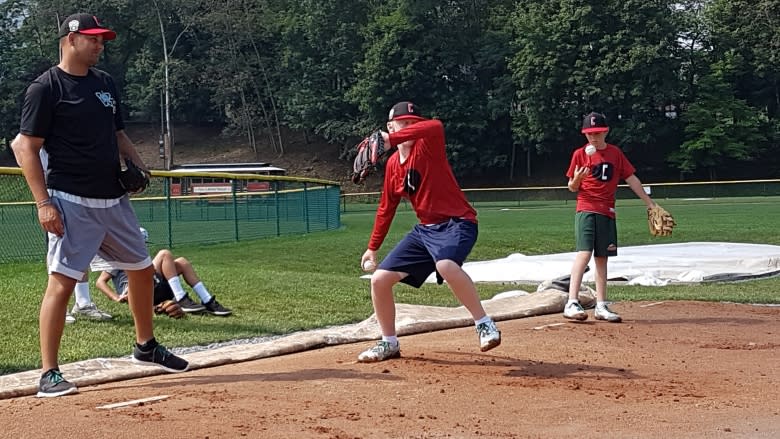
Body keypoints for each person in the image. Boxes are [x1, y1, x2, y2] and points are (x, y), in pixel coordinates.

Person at [11, 13, 188, 398]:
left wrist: (138, 164)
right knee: (62, 282)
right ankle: (49, 373)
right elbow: (24, 146)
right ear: (70, 40)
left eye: (102, 39)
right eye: (93, 38)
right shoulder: (46, 87)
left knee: (141, 270)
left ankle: (145, 346)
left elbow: (117, 132)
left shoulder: (105, 83)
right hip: (71, 199)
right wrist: (44, 203)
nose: (100, 44)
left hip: (113, 197)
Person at [356, 101, 501, 363]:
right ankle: (389, 342)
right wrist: (372, 247)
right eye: (404, 123)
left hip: (459, 222)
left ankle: (484, 323)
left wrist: (393, 138)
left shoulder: (427, 145)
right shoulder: (392, 166)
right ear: (390, 125)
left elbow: (435, 126)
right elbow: (385, 208)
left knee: (446, 265)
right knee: (379, 280)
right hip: (426, 231)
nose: (412, 127)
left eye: (414, 122)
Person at [564, 112, 657, 323]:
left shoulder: (615, 153)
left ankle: (601, 304)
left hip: (607, 211)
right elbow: (571, 187)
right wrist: (577, 179)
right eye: (589, 134)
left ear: (606, 131)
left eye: (597, 133)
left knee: (602, 258)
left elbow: (631, 178)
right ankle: (571, 301)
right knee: (584, 253)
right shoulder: (580, 154)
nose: (593, 138)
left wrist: (649, 203)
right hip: (586, 208)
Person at [95, 235, 232, 316]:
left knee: (182, 262)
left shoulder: (143, 257)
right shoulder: (119, 258)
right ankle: (181, 298)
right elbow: (100, 282)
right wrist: (116, 297)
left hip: (155, 286)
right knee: (164, 254)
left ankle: (207, 300)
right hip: (137, 292)